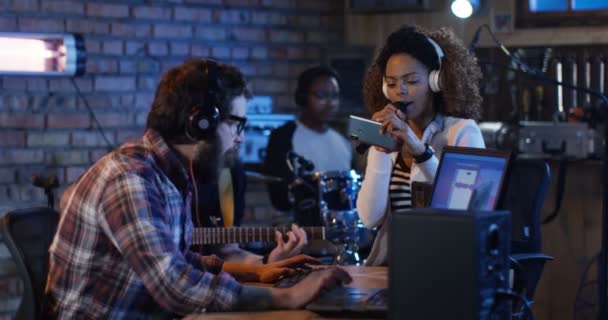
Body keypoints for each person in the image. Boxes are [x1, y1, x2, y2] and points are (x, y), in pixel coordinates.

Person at [45, 59, 351, 319]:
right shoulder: (130, 178)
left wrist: (259, 272)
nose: (240, 139)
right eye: (237, 125)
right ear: (201, 122)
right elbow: (174, 286)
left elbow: (181, 261)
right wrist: (287, 298)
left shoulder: (169, 176)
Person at [356, 25, 486, 266]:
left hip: (445, 266)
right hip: (392, 268)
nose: (400, 91)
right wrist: (380, 150)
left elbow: (463, 209)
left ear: (436, 81)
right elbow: (369, 217)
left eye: (411, 81)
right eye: (392, 83)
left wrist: (419, 150)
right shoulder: (388, 134)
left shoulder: (463, 132)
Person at [264, 65, 353, 214]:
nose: (330, 102)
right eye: (321, 95)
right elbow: (279, 198)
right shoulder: (283, 136)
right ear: (303, 97)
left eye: (335, 96)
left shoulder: (343, 142)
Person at [193, 159, 308, 264]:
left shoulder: (230, 171)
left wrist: (268, 261)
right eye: (236, 133)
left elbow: (227, 252)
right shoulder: (177, 171)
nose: (241, 138)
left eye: (242, 133)